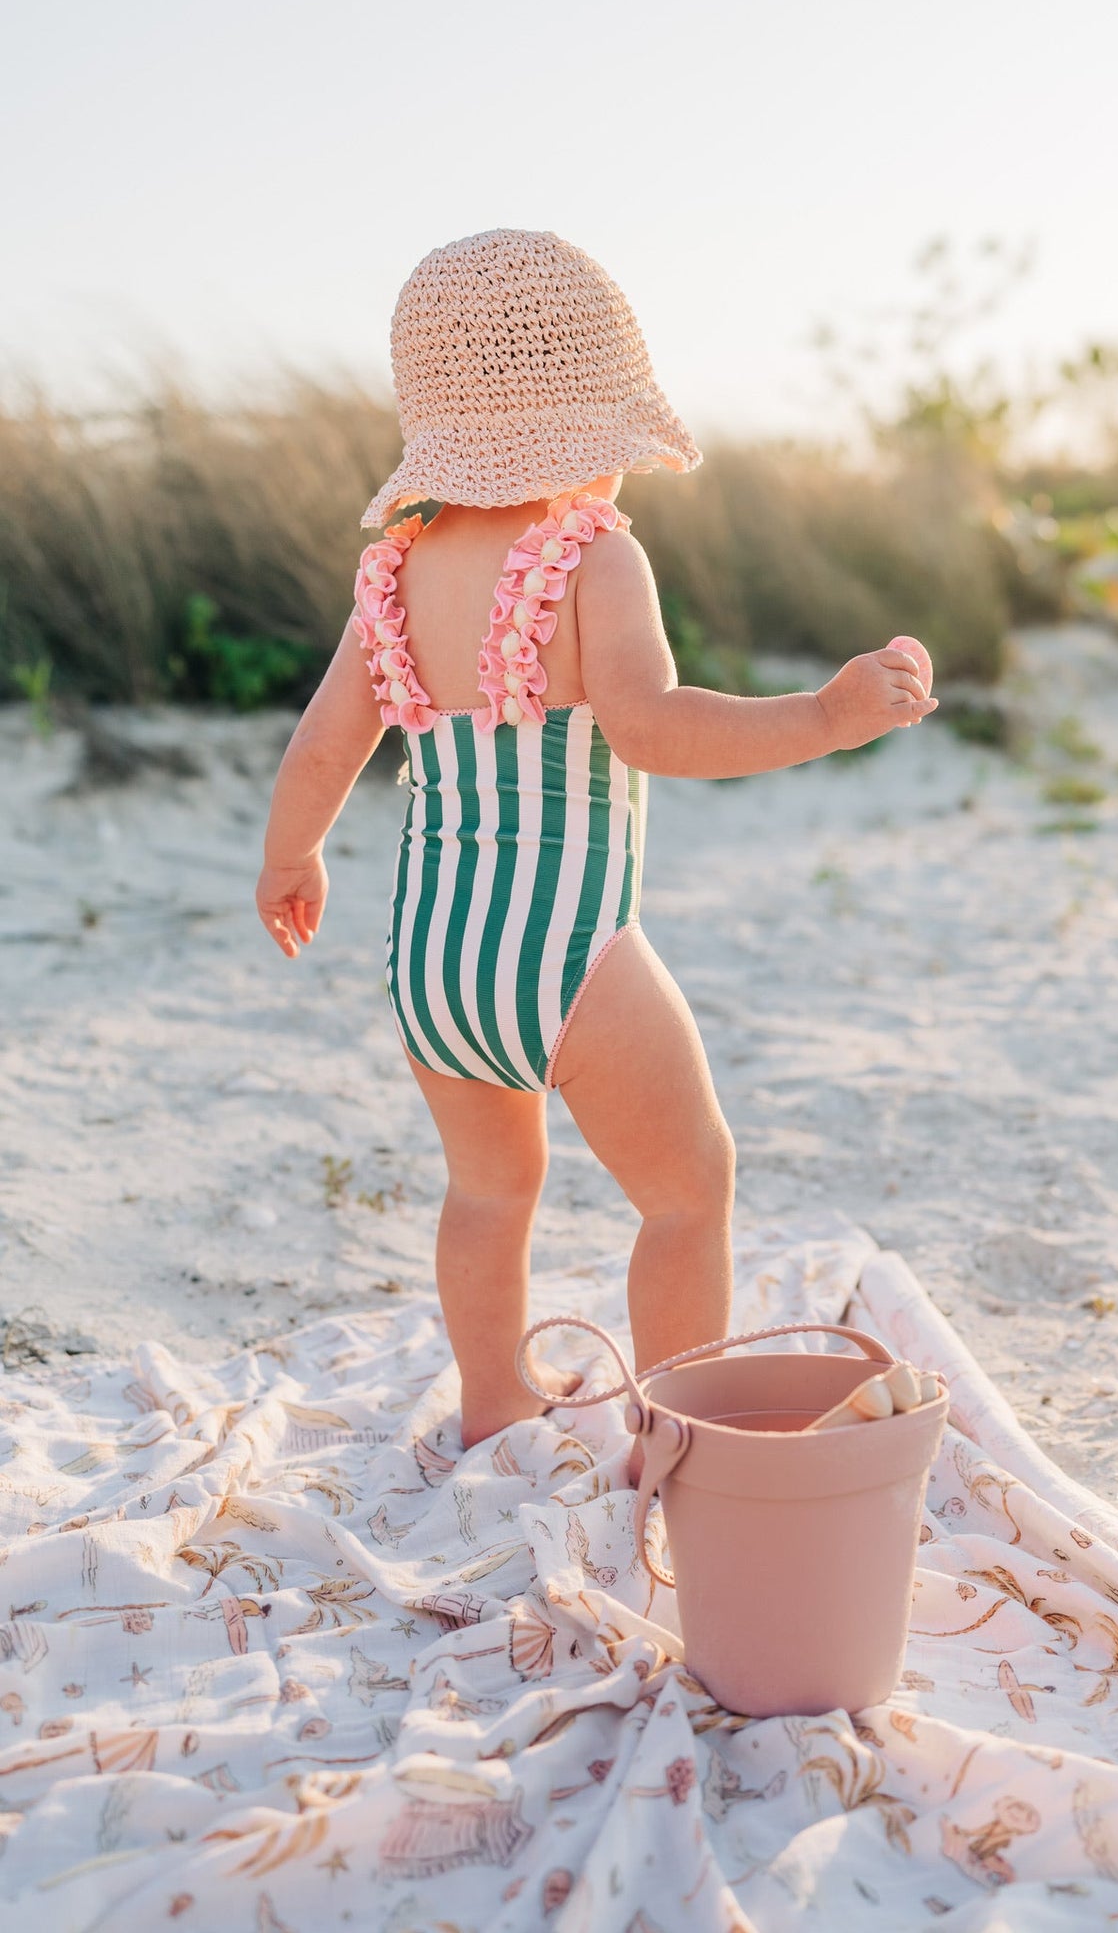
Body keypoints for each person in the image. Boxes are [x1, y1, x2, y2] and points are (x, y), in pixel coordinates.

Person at [255, 230, 935, 1444]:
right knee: (686, 1191)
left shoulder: (392, 576)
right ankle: (683, 1431)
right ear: (590, 429)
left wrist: (289, 858)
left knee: (487, 1187)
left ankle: (490, 1399)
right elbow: (655, 728)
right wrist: (826, 717)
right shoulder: (590, 555)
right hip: (565, 944)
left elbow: (320, 749)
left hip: (433, 954)